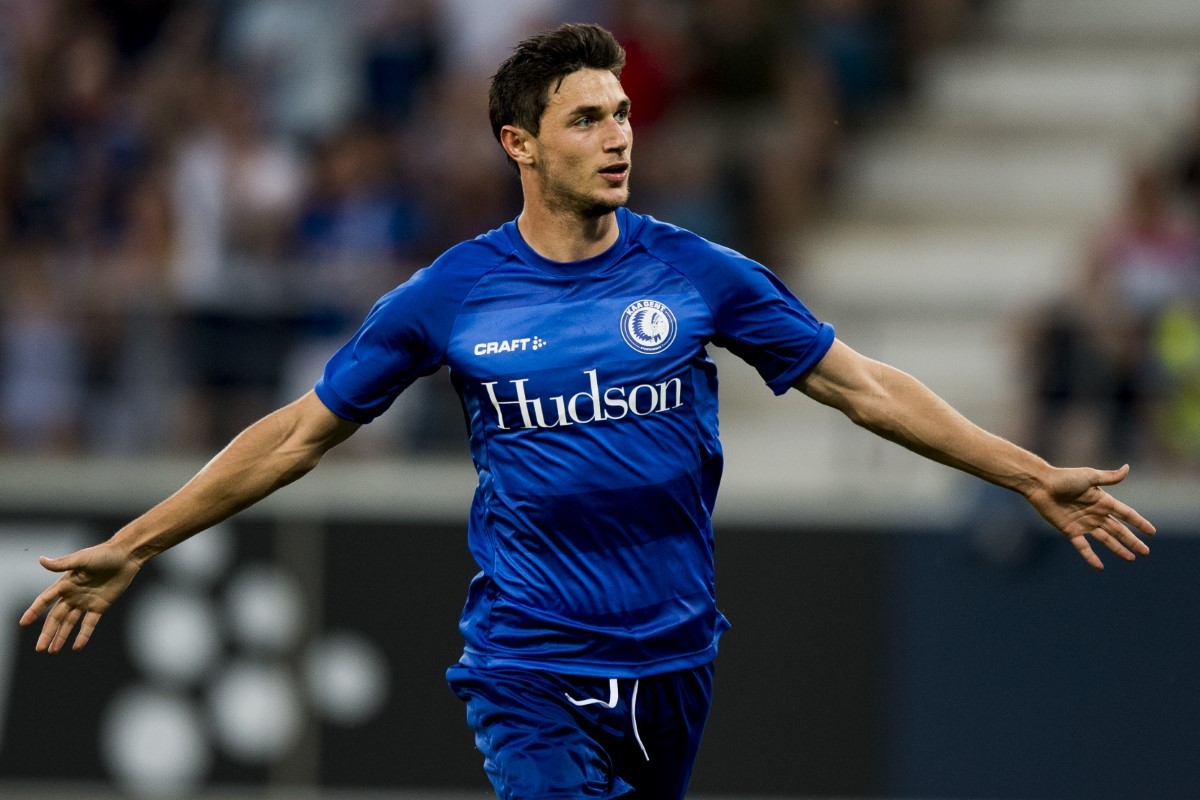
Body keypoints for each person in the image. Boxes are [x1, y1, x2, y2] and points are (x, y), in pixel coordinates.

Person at [20, 23, 1156, 800]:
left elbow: (863, 386)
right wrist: (138, 542)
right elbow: (296, 435)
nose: (618, 137)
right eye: (585, 120)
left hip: (676, 656)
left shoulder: (697, 273)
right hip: (529, 660)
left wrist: (1026, 471)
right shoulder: (451, 295)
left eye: (621, 114)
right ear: (519, 144)